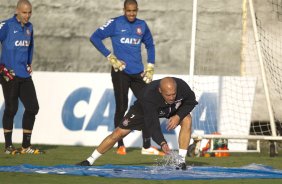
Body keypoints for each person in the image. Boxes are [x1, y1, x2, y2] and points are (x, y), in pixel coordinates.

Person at [77, 77, 198, 170]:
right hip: (143, 110)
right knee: (118, 133)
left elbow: (191, 102)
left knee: (187, 118)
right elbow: (152, 124)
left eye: (174, 94)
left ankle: (181, 161)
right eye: (168, 95)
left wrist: (178, 115)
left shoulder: (181, 86)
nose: (172, 97)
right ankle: (90, 160)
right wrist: (162, 143)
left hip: (170, 109)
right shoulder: (148, 95)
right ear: (160, 90)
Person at [90, 0, 161, 155]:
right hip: (120, 72)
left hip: (138, 74)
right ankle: (120, 145)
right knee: (121, 107)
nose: (131, 14)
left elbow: (150, 45)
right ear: (124, 10)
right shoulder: (114, 23)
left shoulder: (142, 25)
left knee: (148, 104)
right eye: (128, 11)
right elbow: (94, 37)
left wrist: (150, 66)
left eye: (134, 11)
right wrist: (110, 57)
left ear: (137, 10)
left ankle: (147, 147)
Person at [0, 0, 43, 155]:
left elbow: (30, 46)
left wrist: (29, 63)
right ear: (17, 11)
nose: (28, 15)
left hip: (24, 74)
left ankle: (26, 146)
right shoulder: (6, 26)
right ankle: (8, 146)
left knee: (33, 107)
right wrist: (1, 67)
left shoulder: (30, 28)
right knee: (11, 108)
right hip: (8, 74)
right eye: (24, 12)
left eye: (30, 12)